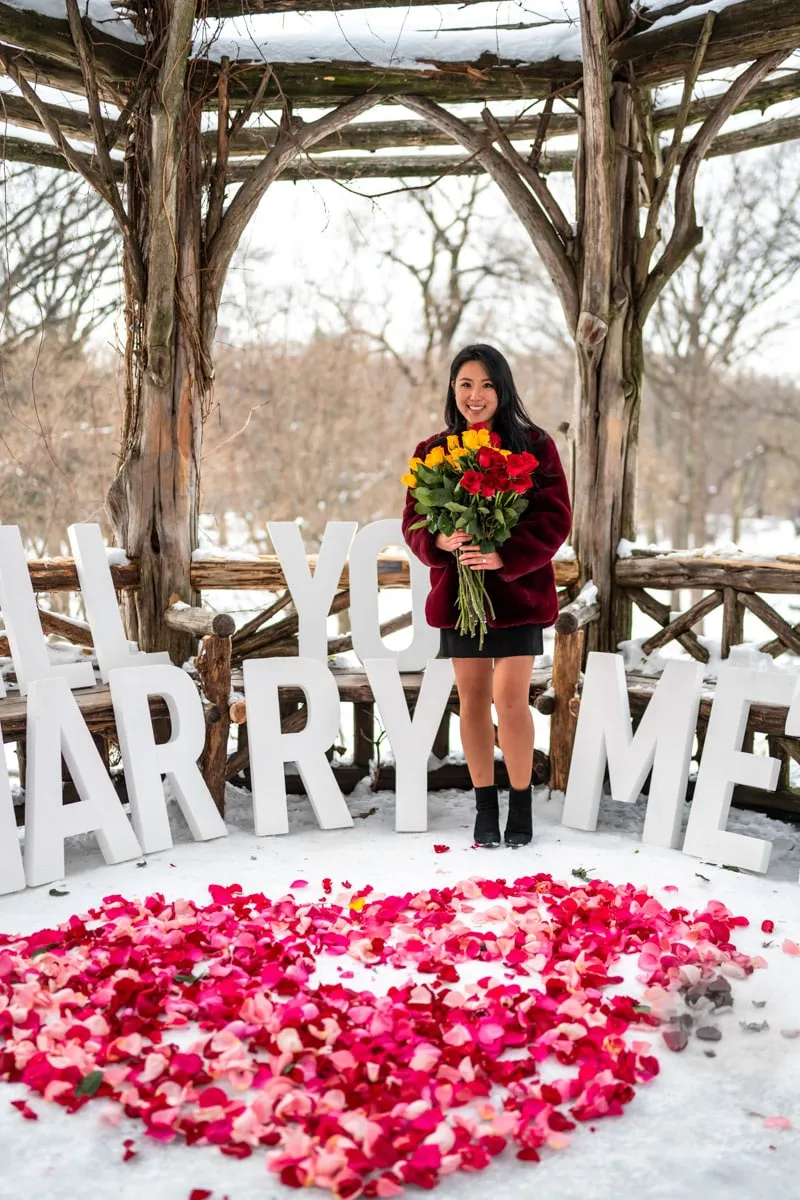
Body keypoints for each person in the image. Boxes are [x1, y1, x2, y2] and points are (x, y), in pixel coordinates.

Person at [402, 344, 572, 848]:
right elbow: (413, 518)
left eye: (487, 385)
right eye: (465, 385)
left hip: (518, 596)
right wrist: (438, 539)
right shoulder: (433, 450)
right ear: (453, 390)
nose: (476, 396)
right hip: (461, 598)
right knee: (473, 702)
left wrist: (506, 555)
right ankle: (484, 805)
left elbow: (555, 518)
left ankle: (521, 801)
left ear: (503, 389)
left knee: (510, 701)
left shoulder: (536, 445)